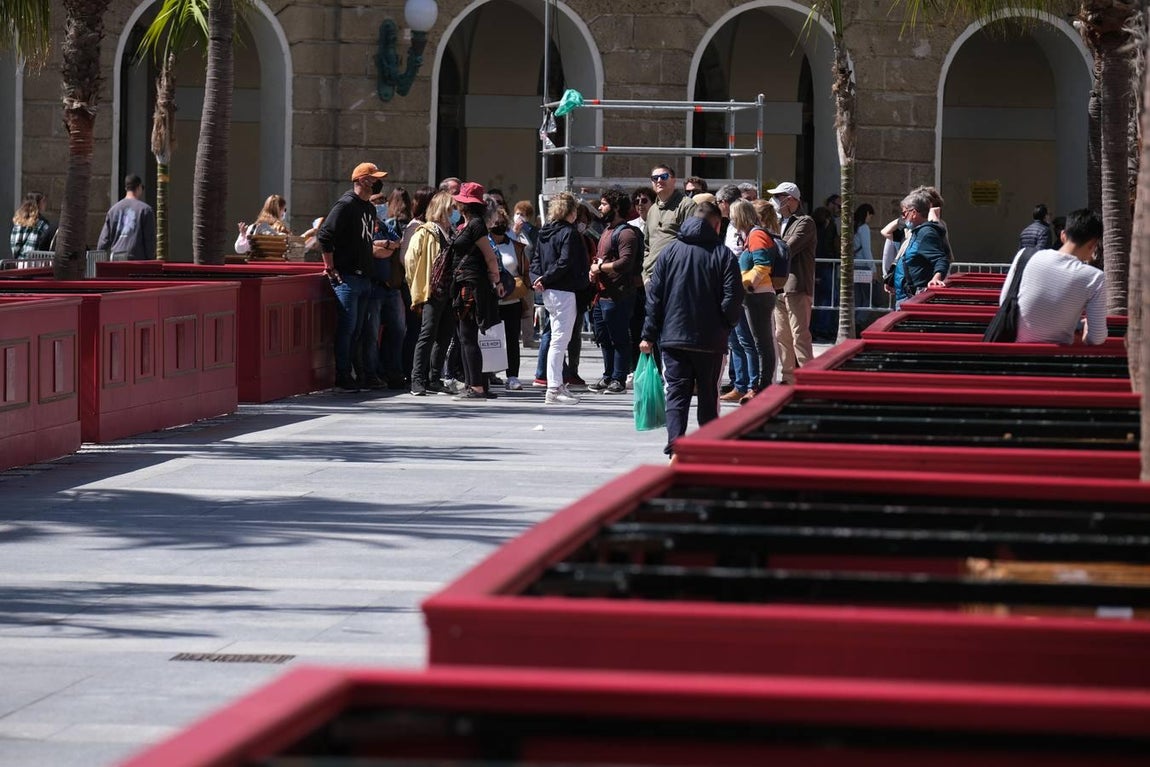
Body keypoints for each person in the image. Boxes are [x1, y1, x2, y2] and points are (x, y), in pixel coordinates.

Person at [640, 202, 743, 457]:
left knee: (676, 393)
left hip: (673, 338)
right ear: (717, 225)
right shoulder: (724, 255)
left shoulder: (669, 252)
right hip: (710, 339)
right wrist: (727, 323)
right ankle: (707, 446)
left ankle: (676, 446)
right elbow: (732, 298)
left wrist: (648, 334)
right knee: (709, 395)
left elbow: (655, 297)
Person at [317, 162, 387, 391]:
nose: (376, 182)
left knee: (357, 329)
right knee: (348, 329)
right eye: (372, 178)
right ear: (361, 180)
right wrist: (330, 266)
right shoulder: (346, 204)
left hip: (364, 277)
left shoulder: (368, 208)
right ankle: (343, 375)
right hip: (347, 277)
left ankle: (353, 373)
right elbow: (325, 235)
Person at [1002, 208, 1106, 345]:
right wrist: (1085, 335)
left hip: (1010, 354)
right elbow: (1097, 338)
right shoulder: (1095, 278)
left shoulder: (1024, 255)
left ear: (1063, 235)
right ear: (1093, 244)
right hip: (1055, 361)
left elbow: (1005, 302)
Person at [449, 182, 506, 401]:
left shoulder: (475, 225)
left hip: (472, 286)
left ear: (463, 204)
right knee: (466, 337)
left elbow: (490, 255)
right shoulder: (467, 225)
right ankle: (475, 384)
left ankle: (477, 387)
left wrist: (495, 278)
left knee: (468, 337)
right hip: (465, 284)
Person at [531, 192, 587, 405]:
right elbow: (565, 262)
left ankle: (558, 384)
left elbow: (535, 259)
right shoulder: (569, 233)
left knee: (556, 336)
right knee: (560, 340)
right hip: (563, 289)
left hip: (549, 290)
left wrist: (538, 279)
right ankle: (554, 388)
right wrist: (545, 278)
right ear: (571, 212)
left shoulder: (545, 230)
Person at [589, 188, 640, 394]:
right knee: (603, 336)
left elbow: (625, 262)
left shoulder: (626, 233)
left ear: (616, 207)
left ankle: (619, 378)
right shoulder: (607, 230)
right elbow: (603, 259)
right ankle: (608, 375)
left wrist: (600, 268)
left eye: (604, 204)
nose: (600, 207)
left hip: (618, 294)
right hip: (601, 294)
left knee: (619, 337)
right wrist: (593, 270)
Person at [406, 191, 456, 395]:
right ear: (442, 209)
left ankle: (434, 378)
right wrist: (417, 285)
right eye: (451, 209)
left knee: (444, 336)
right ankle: (417, 379)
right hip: (433, 291)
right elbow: (410, 260)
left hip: (450, 292)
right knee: (427, 334)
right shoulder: (425, 232)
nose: (454, 213)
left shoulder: (451, 233)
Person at [766, 181, 815, 385]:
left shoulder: (805, 222)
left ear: (791, 199)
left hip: (796, 285)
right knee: (781, 335)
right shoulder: (777, 222)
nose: (776, 200)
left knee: (799, 334)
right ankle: (788, 378)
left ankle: (809, 378)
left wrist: (767, 241)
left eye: (779, 196)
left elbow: (787, 248)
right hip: (779, 286)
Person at [731, 199, 779, 403]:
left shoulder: (756, 235)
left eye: (733, 215)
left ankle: (761, 387)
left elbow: (762, 265)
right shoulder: (752, 234)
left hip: (758, 294)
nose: (731, 219)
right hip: (756, 294)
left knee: (762, 344)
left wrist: (745, 283)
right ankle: (759, 386)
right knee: (758, 343)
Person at [715, 184, 756, 404]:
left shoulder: (745, 227)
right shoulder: (730, 225)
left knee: (745, 338)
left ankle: (751, 384)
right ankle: (740, 384)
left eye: (719, 202)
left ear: (725, 203)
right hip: (729, 285)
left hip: (741, 285)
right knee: (735, 339)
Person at [488, 206, 532, 391]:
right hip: (490, 299)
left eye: (500, 222)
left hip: (512, 299)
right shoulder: (484, 243)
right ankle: (488, 373)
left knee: (512, 339)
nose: (497, 225)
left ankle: (512, 376)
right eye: (494, 222)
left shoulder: (514, 244)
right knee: (489, 339)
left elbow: (524, 269)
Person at [890, 189, 949, 307]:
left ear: (914, 213)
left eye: (904, 213)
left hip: (912, 298)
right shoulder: (916, 232)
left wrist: (936, 278)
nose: (903, 217)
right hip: (904, 296)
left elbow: (941, 259)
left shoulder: (926, 233)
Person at [643, 165, 697, 282]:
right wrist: (645, 276)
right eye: (655, 178)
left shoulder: (687, 205)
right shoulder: (652, 210)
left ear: (674, 180)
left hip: (676, 276)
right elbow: (647, 246)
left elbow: (692, 243)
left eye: (664, 176)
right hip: (652, 278)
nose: (659, 181)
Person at [97, 174, 156, 261]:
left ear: (126, 189)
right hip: (137, 262)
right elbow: (149, 240)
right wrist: (150, 259)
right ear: (139, 187)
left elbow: (103, 242)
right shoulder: (145, 210)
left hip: (116, 260)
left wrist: (99, 262)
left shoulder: (113, 210)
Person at [852, 203, 876, 329]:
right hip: (863, 267)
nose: (870, 219)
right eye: (870, 216)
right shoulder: (864, 228)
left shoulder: (854, 227)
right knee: (868, 298)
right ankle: (859, 321)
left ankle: (855, 320)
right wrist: (873, 268)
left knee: (857, 297)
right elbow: (867, 250)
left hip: (853, 265)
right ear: (867, 214)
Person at [10, 192, 52, 259]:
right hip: (36, 263)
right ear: (37, 204)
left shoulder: (19, 222)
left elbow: (15, 245)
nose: (45, 204)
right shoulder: (42, 223)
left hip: (20, 262)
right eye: (43, 202)